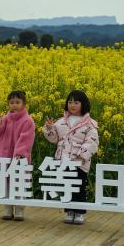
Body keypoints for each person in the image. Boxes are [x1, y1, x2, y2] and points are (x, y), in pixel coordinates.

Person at [43, 90, 99, 225]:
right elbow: (54, 139)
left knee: (79, 187)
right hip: (64, 160)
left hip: (80, 162)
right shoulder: (61, 122)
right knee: (66, 186)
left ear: (83, 104)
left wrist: (81, 156)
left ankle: (79, 212)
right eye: (70, 102)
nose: (72, 105)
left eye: (76, 102)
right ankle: (69, 211)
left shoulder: (90, 123)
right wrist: (49, 129)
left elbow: (92, 141)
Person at [0, 90, 36, 221]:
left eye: (17, 102)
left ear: (24, 103)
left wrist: (20, 154)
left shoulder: (28, 121)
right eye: (11, 102)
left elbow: (26, 139)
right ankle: (7, 208)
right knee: (5, 182)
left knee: (18, 181)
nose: (14, 105)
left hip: (18, 158)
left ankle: (19, 209)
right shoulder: (5, 119)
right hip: (4, 156)